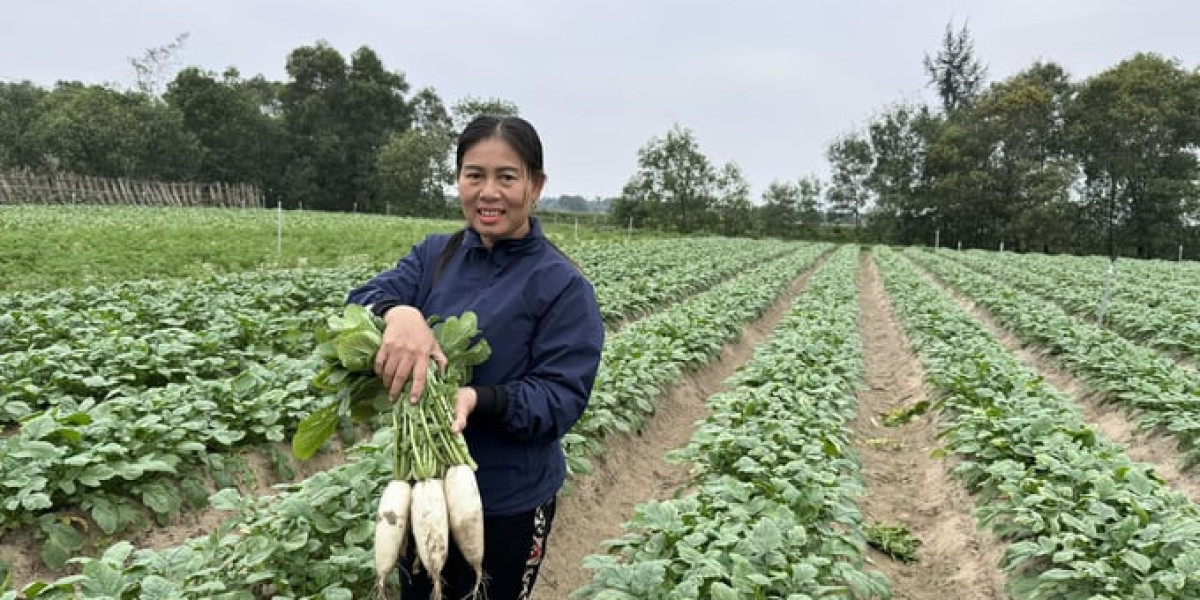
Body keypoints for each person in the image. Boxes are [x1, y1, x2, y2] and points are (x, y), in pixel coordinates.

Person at [347, 115, 605, 600]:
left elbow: (560, 397)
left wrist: (478, 398)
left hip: (508, 501)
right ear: (459, 180)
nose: (489, 192)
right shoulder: (435, 256)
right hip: (423, 492)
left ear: (536, 185)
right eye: (474, 175)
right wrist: (398, 312)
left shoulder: (563, 286)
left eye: (506, 177)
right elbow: (360, 299)